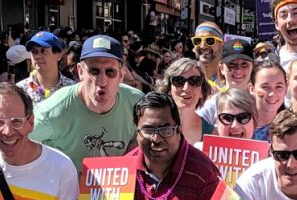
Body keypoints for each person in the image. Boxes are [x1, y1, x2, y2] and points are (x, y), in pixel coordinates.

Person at [30, 35, 141, 169]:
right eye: (94, 71)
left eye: (110, 72)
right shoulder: (52, 112)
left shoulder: (136, 103)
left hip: (119, 187)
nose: (102, 81)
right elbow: (15, 146)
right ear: (80, 71)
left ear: (121, 75)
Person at [198, 38, 254, 125]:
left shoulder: (259, 102)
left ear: (253, 67)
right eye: (231, 64)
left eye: (244, 64)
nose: (238, 70)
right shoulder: (212, 104)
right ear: (221, 68)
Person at [157, 57, 212, 145]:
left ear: (202, 91)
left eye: (194, 81)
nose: (186, 88)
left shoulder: (212, 133)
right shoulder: (153, 125)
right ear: (168, 89)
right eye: (179, 81)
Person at [16, 31, 75, 104]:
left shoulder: (71, 89)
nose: (37, 56)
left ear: (59, 55)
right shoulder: (21, 90)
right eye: (34, 51)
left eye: (43, 51)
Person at [249, 60, 288, 142]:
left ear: (286, 89)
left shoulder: (292, 128)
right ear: (251, 89)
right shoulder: (237, 124)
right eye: (265, 87)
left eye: (278, 87)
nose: (272, 94)